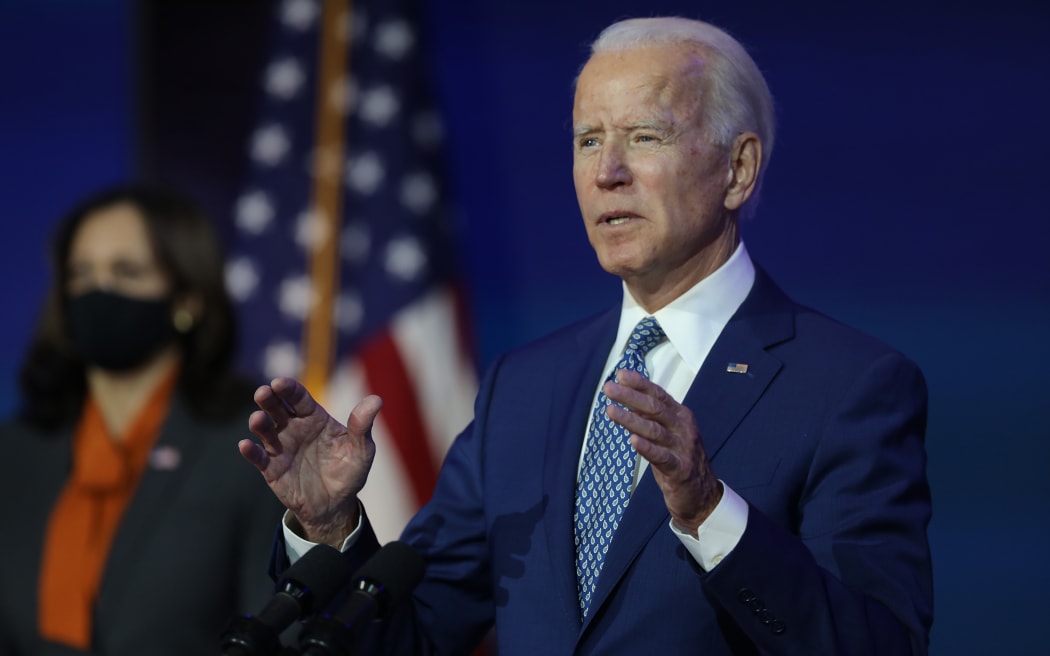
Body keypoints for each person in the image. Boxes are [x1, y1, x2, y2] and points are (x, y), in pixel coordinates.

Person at [241, 16, 933, 655]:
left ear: (738, 169)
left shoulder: (847, 385)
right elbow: (414, 637)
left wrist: (712, 514)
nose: (608, 172)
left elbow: (878, 644)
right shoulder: (525, 388)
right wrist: (332, 528)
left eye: (645, 137)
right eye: (588, 140)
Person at [0, 185, 286, 655]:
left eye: (126, 271)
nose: (99, 290)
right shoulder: (16, 451)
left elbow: (276, 632)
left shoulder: (250, 451)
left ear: (188, 299)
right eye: (81, 273)